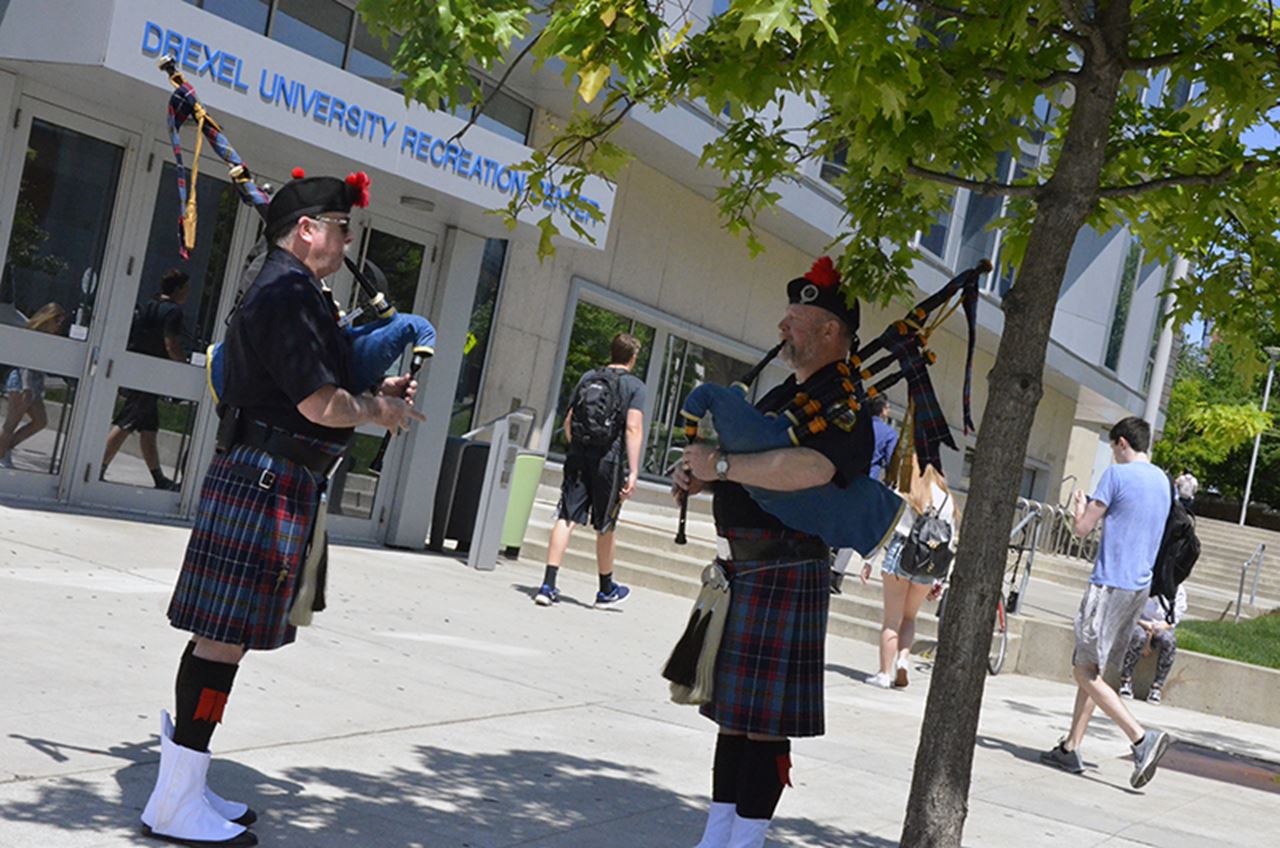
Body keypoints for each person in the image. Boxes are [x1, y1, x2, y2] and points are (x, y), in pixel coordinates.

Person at [138, 170, 422, 847]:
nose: (349, 239)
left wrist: (374, 383)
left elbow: (313, 377)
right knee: (220, 640)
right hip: (266, 479)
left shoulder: (294, 291)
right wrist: (379, 411)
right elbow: (317, 404)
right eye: (342, 227)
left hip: (269, 478)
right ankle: (175, 802)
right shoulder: (288, 292)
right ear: (308, 230)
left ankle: (185, 786)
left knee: (223, 643)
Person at [672, 258, 873, 848]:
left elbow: (812, 468)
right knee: (734, 716)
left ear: (830, 331)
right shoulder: (789, 392)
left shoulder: (844, 401)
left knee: (763, 725)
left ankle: (746, 839)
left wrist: (724, 466)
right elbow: (752, 470)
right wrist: (704, 478)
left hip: (786, 566)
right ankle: (718, 835)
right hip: (746, 567)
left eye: (797, 316)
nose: (783, 325)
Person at [1040, 416, 1172, 789]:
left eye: (1113, 446)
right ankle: (1071, 747)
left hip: (1109, 583)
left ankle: (1141, 738)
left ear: (1122, 444)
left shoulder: (1116, 477)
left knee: (1083, 670)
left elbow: (1081, 530)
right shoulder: (1163, 481)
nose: (1112, 453)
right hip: (1138, 588)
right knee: (1096, 669)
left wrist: (1078, 508)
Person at [535, 333, 646, 607]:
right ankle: (606, 589)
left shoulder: (588, 378)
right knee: (606, 524)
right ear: (633, 358)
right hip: (608, 462)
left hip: (578, 458)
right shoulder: (634, 386)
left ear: (612, 352)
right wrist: (633, 471)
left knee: (566, 517)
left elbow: (570, 420)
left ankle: (547, 585)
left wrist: (578, 449)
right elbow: (633, 428)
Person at [860, 455, 956, 689]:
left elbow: (886, 525)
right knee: (910, 617)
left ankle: (884, 673)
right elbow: (950, 539)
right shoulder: (947, 500)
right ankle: (903, 661)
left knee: (891, 621)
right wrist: (941, 580)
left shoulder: (904, 490)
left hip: (900, 554)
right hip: (928, 561)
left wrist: (869, 559)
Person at [100, 269, 192, 489]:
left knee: (149, 429)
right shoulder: (173, 312)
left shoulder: (147, 305)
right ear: (178, 289)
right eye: (186, 289)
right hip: (152, 373)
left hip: (134, 367)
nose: (188, 294)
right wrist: (183, 367)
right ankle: (97, 466)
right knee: (126, 422)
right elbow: (171, 343)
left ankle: (159, 479)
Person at [0, 303, 68, 469]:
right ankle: (2, 455)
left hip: (34, 385)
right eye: (57, 320)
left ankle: (6, 448)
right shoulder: (33, 334)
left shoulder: (48, 338)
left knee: (40, 421)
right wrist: (27, 388)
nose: (59, 325)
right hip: (22, 383)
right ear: (48, 318)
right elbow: (25, 364)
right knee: (11, 423)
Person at [1119, 584, 1188, 704]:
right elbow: (1129, 609)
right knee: (1138, 636)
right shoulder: (1143, 582)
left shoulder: (1178, 590)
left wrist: (1159, 627)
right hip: (1139, 622)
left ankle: (1157, 687)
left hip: (1161, 627)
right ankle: (1126, 680)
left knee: (1169, 641)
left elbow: (1173, 618)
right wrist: (1145, 624)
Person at [867, 395, 898, 483]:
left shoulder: (859, 424)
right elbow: (890, 459)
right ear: (883, 410)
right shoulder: (890, 433)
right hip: (870, 475)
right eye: (888, 408)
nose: (889, 410)